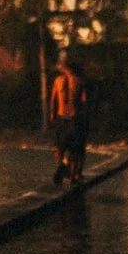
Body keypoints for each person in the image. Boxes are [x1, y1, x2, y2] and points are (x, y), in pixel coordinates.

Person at [49, 52, 89, 184]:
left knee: (62, 146)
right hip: (72, 117)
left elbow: (53, 99)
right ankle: (71, 173)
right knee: (73, 148)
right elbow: (84, 101)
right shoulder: (78, 81)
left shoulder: (59, 81)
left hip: (63, 117)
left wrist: (52, 114)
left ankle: (64, 167)